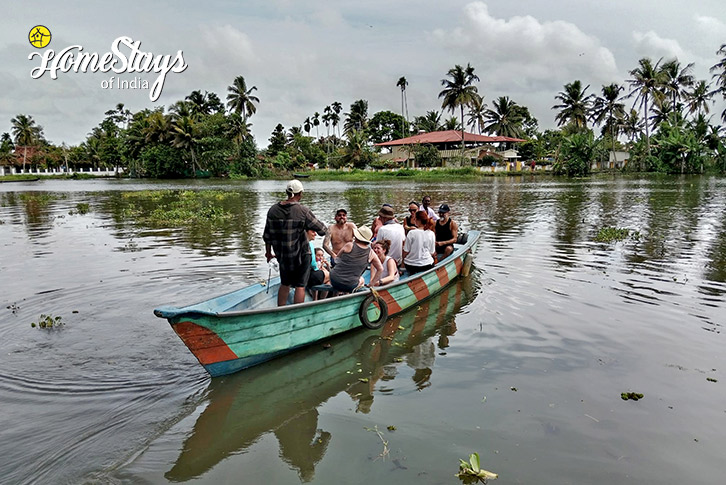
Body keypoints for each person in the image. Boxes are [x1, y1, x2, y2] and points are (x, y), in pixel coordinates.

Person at [263, 180, 326, 306]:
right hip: (302, 255)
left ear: (287, 192)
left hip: (283, 256)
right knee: (300, 286)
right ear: (300, 193)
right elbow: (322, 230)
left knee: (285, 283)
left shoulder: (273, 210)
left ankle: (280, 310)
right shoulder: (303, 211)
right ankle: (297, 311)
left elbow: (267, 236)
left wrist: (269, 253)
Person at [329, 225, 383, 293]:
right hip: (350, 285)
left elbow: (336, 260)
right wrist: (371, 284)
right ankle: (352, 296)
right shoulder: (371, 253)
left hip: (334, 280)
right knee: (362, 280)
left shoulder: (349, 245)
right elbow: (380, 269)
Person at [402, 211, 436, 275]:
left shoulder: (412, 233)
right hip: (427, 264)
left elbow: (406, 251)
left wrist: (402, 260)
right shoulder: (431, 233)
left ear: (418, 220)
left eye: (415, 219)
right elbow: (432, 252)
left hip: (411, 266)